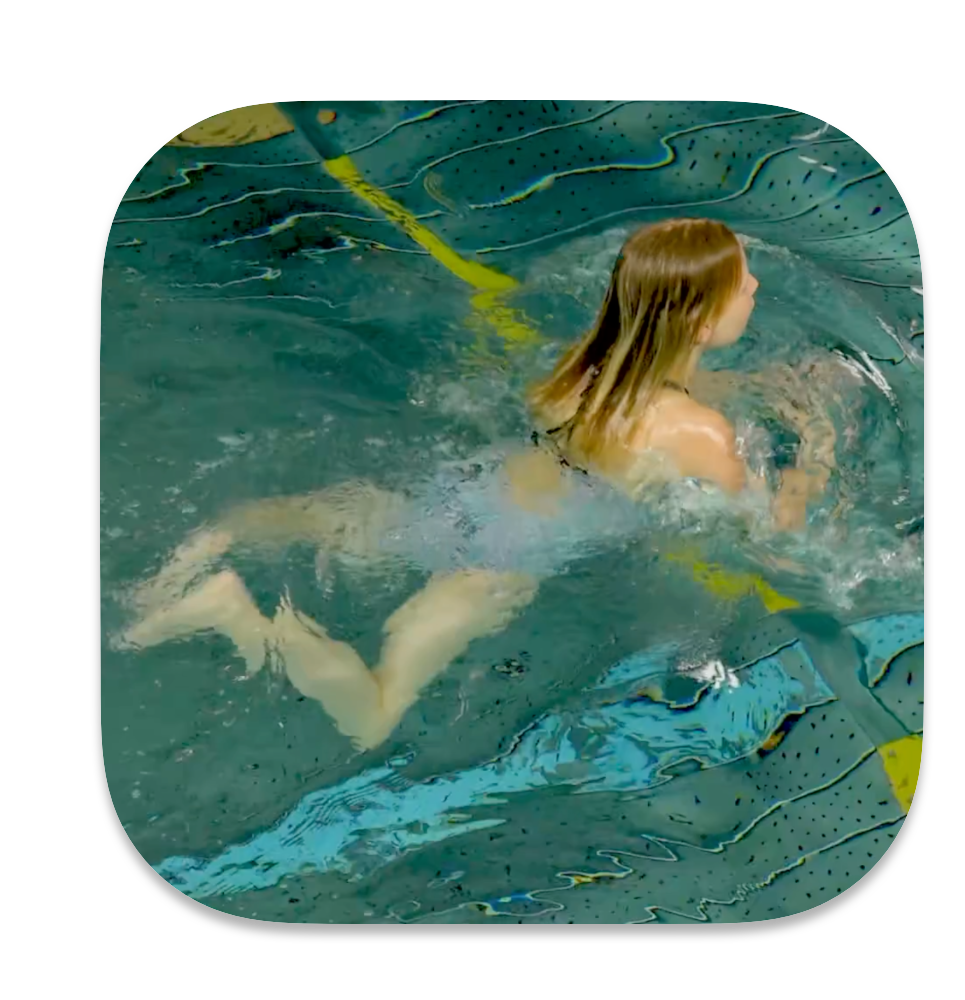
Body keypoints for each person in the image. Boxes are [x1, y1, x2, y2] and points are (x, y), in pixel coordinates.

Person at [115, 218, 835, 751]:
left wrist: (764, 385)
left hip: (457, 497)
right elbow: (769, 536)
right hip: (495, 564)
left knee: (301, 522)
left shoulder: (584, 367)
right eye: (743, 283)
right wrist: (817, 449)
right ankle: (238, 614)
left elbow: (658, 404)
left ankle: (200, 550)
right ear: (701, 322)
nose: (755, 288)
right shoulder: (702, 435)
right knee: (372, 718)